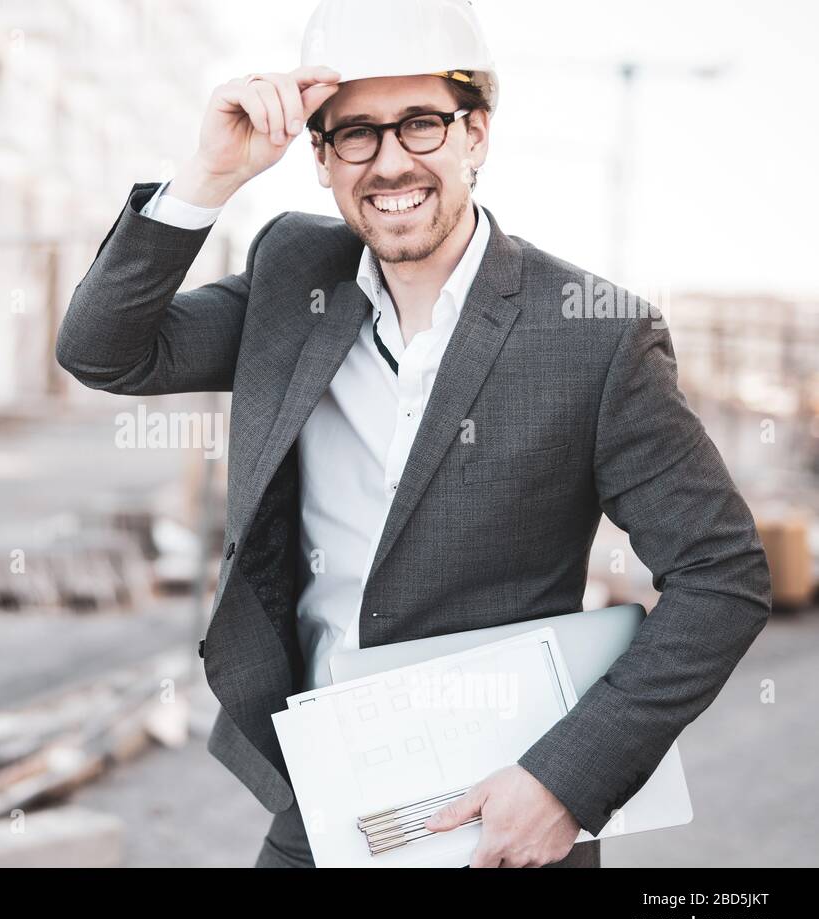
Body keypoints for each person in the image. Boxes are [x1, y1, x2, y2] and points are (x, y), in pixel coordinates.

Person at [55, 0, 771, 868]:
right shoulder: (292, 276)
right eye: (355, 134)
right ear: (320, 158)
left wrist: (566, 783)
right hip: (320, 805)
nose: (389, 161)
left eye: (422, 124)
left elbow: (721, 574)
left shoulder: (594, 334)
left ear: (476, 134)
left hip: (505, 818)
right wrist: (206, 176)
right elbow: (105, 353)